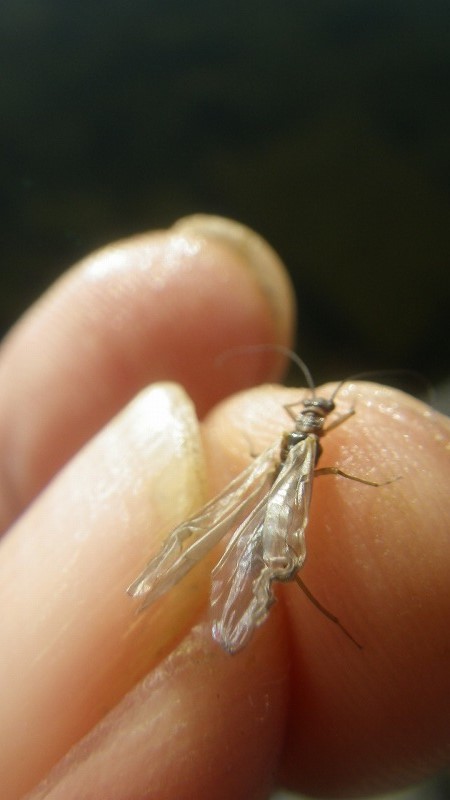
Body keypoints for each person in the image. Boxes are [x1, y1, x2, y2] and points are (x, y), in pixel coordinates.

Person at [0, 215, 449, 800]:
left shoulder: (298, 434)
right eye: (317, 413)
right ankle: (211, 594)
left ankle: (214, 594)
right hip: (274, 496)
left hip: (274, 490)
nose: (316, 416)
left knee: (255, 550)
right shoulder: (309, 442)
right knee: (269, 556)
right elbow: (329, 465)